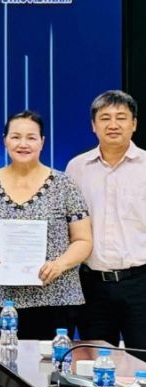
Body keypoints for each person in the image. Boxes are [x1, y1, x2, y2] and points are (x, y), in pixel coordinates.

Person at [0, 111, 92, 340]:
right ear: (5, 140)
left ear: (42, 141)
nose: (23, 144)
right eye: (15, 137)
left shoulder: (64, 184)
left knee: (49, 371)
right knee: (2, 370)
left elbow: (83, 240)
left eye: (31, 137)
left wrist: (60, 264)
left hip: (56, 297)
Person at [67, 90, 146, 351]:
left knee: (142, 365)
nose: (113, 125)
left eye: (121, 118)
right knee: (96, 365)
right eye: (105, 118)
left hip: (140, 284)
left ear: (134, 124)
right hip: (92, 286)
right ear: (93, 125)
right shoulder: (76, 168)